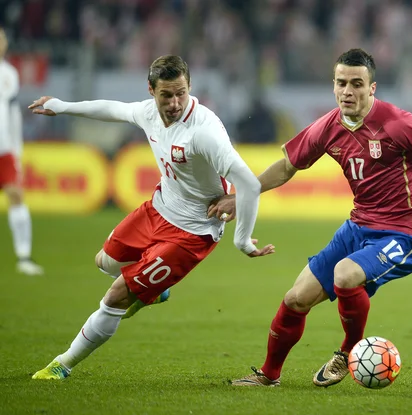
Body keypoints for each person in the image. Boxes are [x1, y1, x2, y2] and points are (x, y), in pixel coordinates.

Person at [207, 48, 412, 387]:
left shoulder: (398, 123)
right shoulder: (327, 127)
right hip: (358, 227)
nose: (348, 91)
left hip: (407, 233)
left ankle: (348, 351)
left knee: (345, 274)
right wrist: (242, 197)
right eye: (342, 83)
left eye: (357, 84)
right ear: (333, 86)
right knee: (295, 298)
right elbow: (285, 167)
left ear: (372, 88)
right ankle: (268, 376)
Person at [28, 55, 275, 380]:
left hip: (192, 233)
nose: (174, 103)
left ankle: (62, 364)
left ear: (189, 88)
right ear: (151, 90)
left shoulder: (204, 131)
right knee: (104, 262)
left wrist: (242, 239)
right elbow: (112, 109)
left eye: (181, 93)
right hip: (158, 209)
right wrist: (61, 105)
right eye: (166, 95)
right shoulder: (148, 113)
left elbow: (250, 184)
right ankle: (155, 291)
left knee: (117, 295)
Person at [0, 27, 44, 276]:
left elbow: (13, 113)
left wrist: (17, 147)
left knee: (16, 195)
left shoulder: (9, 74)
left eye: (2, 40)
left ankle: (24, 256)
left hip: (4, 150)